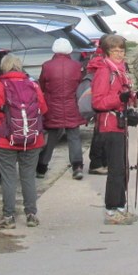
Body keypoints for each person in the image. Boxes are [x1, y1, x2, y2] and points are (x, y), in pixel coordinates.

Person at [0, 54, 48, 228]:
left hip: (4, 140)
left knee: (8, 177)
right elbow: (43, 108)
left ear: (3, 68)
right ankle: (31, 214)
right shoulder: (33, 85)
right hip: (32, 139)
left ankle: (9, 217)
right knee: (28, 176)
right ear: (20, 67)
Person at [89, 33, 138, 224]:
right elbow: (98, 101)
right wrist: (120, 99)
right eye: (114, 50)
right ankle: (111, 211)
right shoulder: (105, 71)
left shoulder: (120, 69)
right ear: (107, 52)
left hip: (120, 123)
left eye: (121, 50)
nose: (119, 54)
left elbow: (123, 94)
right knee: (116, 169)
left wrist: (133, 97)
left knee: (123, 168)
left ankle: (120, 206)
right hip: (108, 125)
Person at [36, 38, 85, 180]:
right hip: (71, 105)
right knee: (74, 136)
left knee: (51, 137)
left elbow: (42, 86)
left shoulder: (47, 66)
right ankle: (77, 167)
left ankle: (42, 167)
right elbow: (79, 84)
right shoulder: (76, 66)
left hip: (53, 106)